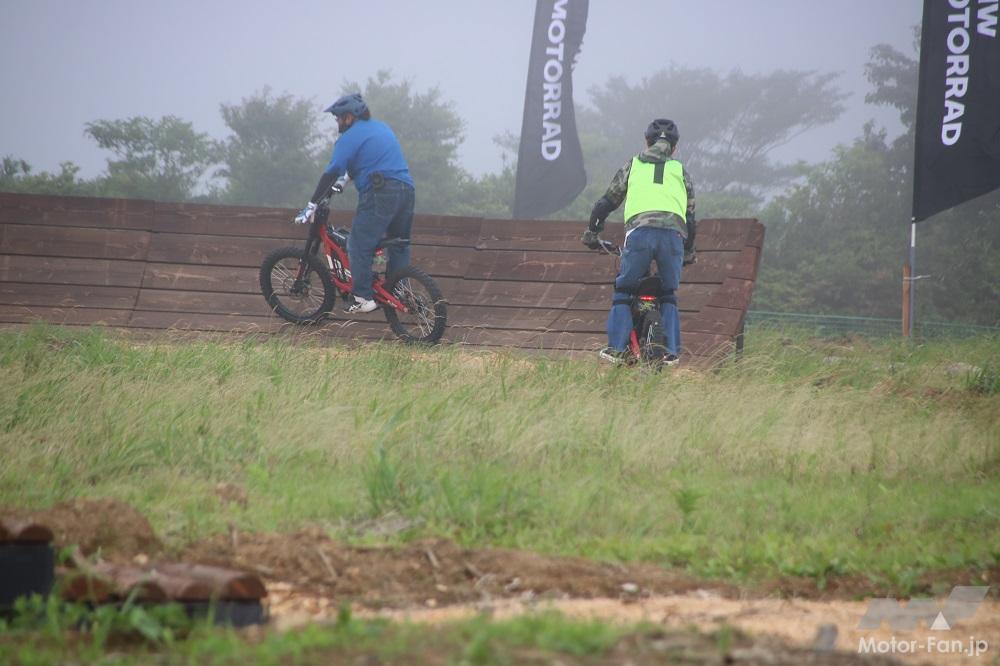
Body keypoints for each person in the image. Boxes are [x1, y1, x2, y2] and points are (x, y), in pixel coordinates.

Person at [581, 118, 696, 365]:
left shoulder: (632, 165)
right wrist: (688, 251)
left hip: (640, 234)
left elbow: (605, 203)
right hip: (673, 237)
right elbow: (690, 218)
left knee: (624, 290)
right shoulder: (681, 171)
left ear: (646, 142)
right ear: (674, 148)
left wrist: (592, 232)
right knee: (668, 293)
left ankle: (618, 349)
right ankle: (670, 351)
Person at [294, 93, 416, 314]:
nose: (337, 122)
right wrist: (345, 180)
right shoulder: (381, 128)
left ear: (349, 117)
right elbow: (370, 159)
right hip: (406, 190)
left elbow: (332, 171)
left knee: (358, 245)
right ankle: (399, 290)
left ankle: (362, 297)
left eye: (338, 118)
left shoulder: (349, 137)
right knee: (399, 244)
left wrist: (311, 205)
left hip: (380, 192)